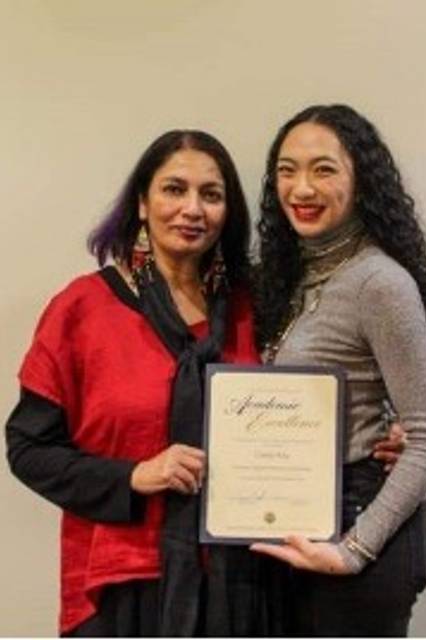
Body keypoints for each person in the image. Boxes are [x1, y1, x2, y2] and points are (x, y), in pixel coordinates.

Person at [6, 126, 404, 637]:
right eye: (174, 189)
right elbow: (28, 448)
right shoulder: (82, 309)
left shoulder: (254, 307)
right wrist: (133, 475)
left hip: (245, 583)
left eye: (211, 195)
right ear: (142, 204)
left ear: (227, 213)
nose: (192, 208)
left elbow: (317, 392)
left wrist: (388, 430)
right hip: (124, 585)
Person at [251, 104, 426, 637]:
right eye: (287, 169)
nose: (301, 187)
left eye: (324, 169)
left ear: (361, 180)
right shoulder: (289, 277)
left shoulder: (378, 283)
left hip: (358, 527)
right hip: (301, 521)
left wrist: (353, 551)